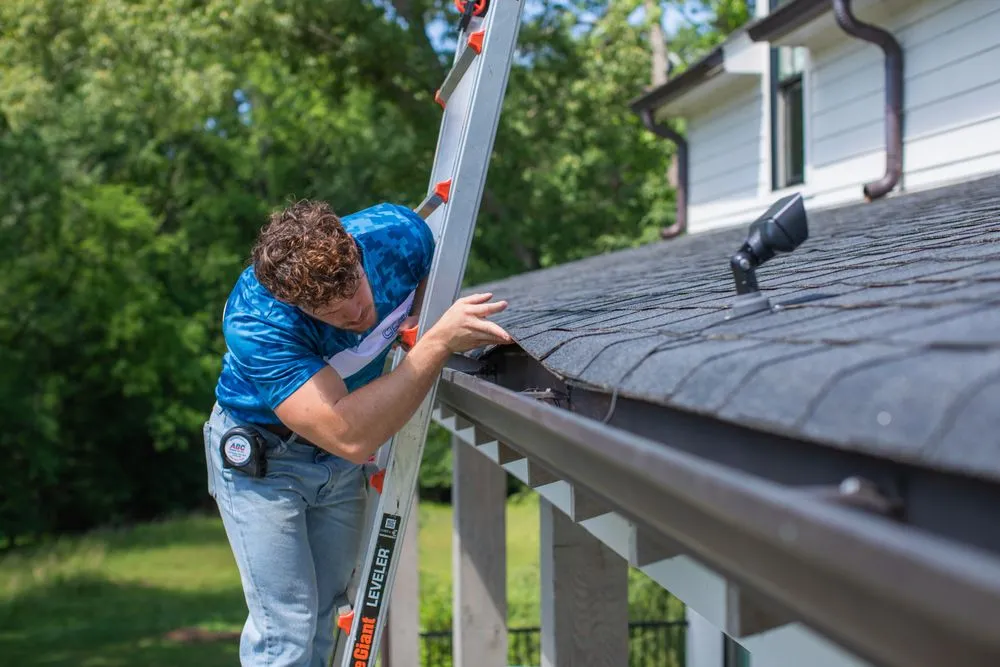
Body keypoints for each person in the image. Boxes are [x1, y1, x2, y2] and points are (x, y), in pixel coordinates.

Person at [202, 199, 511, 667]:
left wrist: (422, 313)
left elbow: (433, 270)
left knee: (325, 612)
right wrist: (436, 343)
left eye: (356, 289)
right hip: (267, 463)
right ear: (296, 303)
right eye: (332, 311)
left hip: (336, 467)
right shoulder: (258, 320)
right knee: (287, 627)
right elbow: (350, 435)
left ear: (355, 253)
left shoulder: (396, 233)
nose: (356, 313)